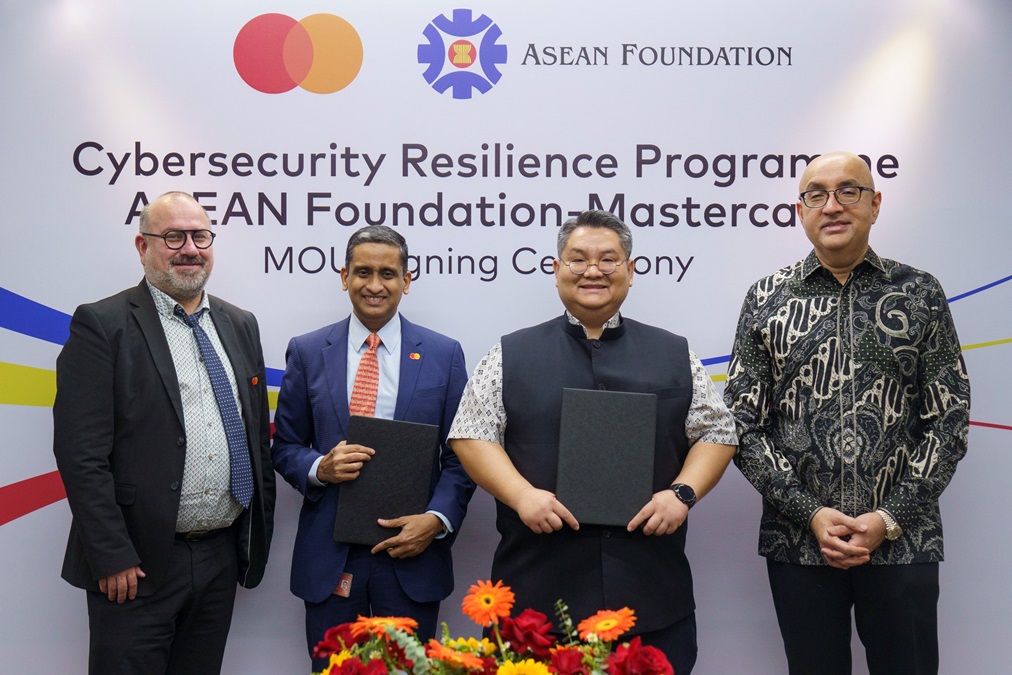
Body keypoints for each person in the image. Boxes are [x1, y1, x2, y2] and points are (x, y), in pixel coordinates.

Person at [448, 209, 737, 674]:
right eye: (578, 258)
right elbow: (471, 435)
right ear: (556, 269)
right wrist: (522, 495)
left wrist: (682, 494)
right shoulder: (511, 352)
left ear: (631, 270)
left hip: (651, 598)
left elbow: (718, 433)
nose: (593, 270)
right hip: (536, 597)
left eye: (609, 259)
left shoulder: (673, 351)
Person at [724, 151, 971, 674]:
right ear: (800, 209)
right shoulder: (767, 297)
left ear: (875, 204)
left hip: (904, 540)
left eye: (849, 191)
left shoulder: (919, 292)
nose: (832, 205)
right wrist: (808, 512)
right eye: (817, 193)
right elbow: (742, 423)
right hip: (800, 542)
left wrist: (889, 518)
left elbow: (948, 420)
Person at [53, 191, 275, 674]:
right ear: (143, 246)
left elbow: (257, 438)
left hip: (218, 556)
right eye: (173, 237)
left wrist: (252, 541)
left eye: (200, 236)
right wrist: (112, 556)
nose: (189, 248)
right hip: (136, 566)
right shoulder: (102, 324)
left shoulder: (240, 324)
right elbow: (80, 454)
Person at [271, 225, 474, 670]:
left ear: (407, 280)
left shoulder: (445, 354)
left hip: (412, 555)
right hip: (331, 558)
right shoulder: (307, 352)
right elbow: (284, 446)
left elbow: (461, 455)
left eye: (388, 273)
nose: (375, 285)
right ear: (344, 277)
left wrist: (436, 520)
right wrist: (319, 467)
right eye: (363, 272)